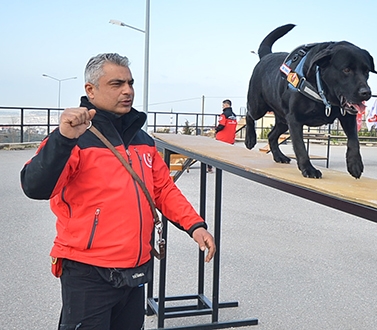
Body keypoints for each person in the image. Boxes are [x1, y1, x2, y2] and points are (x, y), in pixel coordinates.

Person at [20, 53, 216, 330]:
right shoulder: (75, 138)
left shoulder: (142, 139)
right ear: (90, 89)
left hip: (136, 270)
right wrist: (62, 139)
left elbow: (163, 189)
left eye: (130, 83)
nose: (128, 91)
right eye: (116, 84)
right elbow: (35, 186)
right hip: (88, 272)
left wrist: (195, 226)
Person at [207, 99, 238, 173]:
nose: (222, 107)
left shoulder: (223, 115)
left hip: (222, 138)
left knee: (209, 152)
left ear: (226, 105)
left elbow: (222, 125)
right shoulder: (234, 116)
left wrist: (216, 130)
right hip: (230, 139)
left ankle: (209, 167)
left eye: (223, 106)